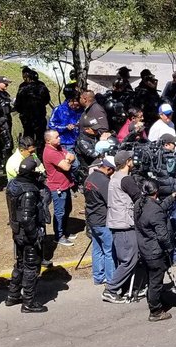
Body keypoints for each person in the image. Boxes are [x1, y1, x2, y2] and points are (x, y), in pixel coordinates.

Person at [5, 158, 49, 314]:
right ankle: (28, 303)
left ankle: (13, 295)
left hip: (17, 232)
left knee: (20, 264)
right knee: (30, 267)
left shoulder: (12, 184)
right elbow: (26, 217)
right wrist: (35, 235)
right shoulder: (29, 191)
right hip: (28, 234)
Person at [103, 150, 142, 304]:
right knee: (129, 260)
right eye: (131, 159)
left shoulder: (114, 178)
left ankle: (124, 287)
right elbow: (139, 197)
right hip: (125, 224)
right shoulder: (126, 179)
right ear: (127, 162)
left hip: (117, 223)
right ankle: (110, 289)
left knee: (124, 259)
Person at [135, 180, 173, 322]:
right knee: (155, 281)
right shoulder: (154, 210)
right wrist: (169, 248)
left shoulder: (140, 203)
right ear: (156, 192)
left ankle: (157, 302)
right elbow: (163, 236)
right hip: (154, 251)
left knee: (152, 279)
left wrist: (171, 199)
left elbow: (156, 211)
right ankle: (155, 311)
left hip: (144, 247)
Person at [82, 155, 116, 286]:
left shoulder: (89, 178)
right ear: (108, 168)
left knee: (97, 249)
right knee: (109, 251)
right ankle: (111, 279)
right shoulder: (104, 182)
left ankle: (98, 277)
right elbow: (110, 201)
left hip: (92, 220)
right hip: (103, 221)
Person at [42, 130, 76, 248]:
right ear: (48, 140)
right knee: (60, 212)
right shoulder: (50, 152)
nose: (59, 139)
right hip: (57, 187)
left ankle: (64, 231)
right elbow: (66, 167)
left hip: (65, 184)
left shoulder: (58, 148)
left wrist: (68, 159)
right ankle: (59, 236)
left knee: (67, 208)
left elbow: (72, 155)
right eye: (56, 137)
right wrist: (67, 160)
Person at [13, 67, 52, 153]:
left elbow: (18, 103)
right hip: (36, 116)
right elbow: (47, 99)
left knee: (30, 137)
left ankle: (31, 155)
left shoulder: (24, 87)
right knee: (39, 137)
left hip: (30, 117)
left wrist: (21, 110)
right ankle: (39, 156)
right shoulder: (40, 85)